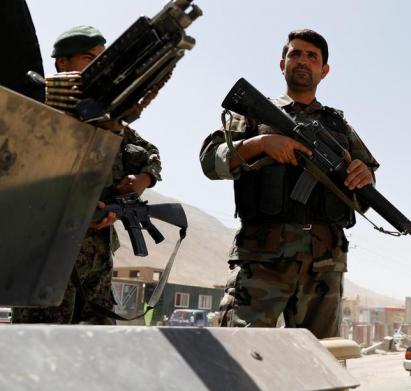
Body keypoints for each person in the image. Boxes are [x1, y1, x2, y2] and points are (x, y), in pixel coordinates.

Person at [200, 29, 378, 339]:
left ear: (324, 70)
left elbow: (367, 181)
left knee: (322, 356)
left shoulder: (339, 127)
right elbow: (210, 161)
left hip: (323, 266)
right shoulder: (253, 114)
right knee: (242, 352)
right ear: (282, 64)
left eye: (312, 57)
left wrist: (365, 173)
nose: (303, 61)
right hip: (262, 259)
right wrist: (260, 144)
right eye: (295, 54)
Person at [11, 26, 162, 324]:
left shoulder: (107, 122)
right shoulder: (35, 112)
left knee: (97, 344)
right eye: (88, 59)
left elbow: (150, 154)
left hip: (96, 261)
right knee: (42, 343)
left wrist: (142, 181)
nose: (98, 68)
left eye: (102, 60)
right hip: (44, 260)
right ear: (62, 63)